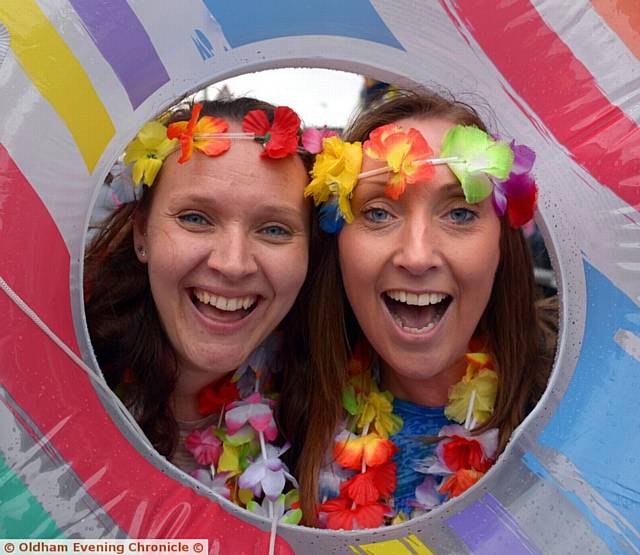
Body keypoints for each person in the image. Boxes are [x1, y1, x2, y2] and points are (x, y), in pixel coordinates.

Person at [281, 89, 557, 529]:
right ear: (337, 241)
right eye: (377, 212)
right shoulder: (280, 406)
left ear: (502, 245)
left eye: (460, 214)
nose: (416, 255)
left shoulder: (579, 411)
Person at [85, 97, 313, 523]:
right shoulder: (51, 375)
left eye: (274, 229)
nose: (232, 263)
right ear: (142, 233)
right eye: (195, 218)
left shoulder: (333, 420)